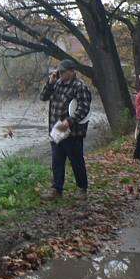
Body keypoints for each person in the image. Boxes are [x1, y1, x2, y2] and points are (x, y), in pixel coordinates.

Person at [40, 59, 92, 200]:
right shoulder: (56, 84)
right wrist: (50, 83)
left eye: (63, 72)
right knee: (57, 160)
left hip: (73, 132)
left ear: (72, 71)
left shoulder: (80, 87)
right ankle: (57, 189)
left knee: (76, 161)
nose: (61, 74)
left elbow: (84, 108)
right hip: (56, 130)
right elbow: (43, 97)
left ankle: (82, 189)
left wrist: (69, 121)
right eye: (59, 71)